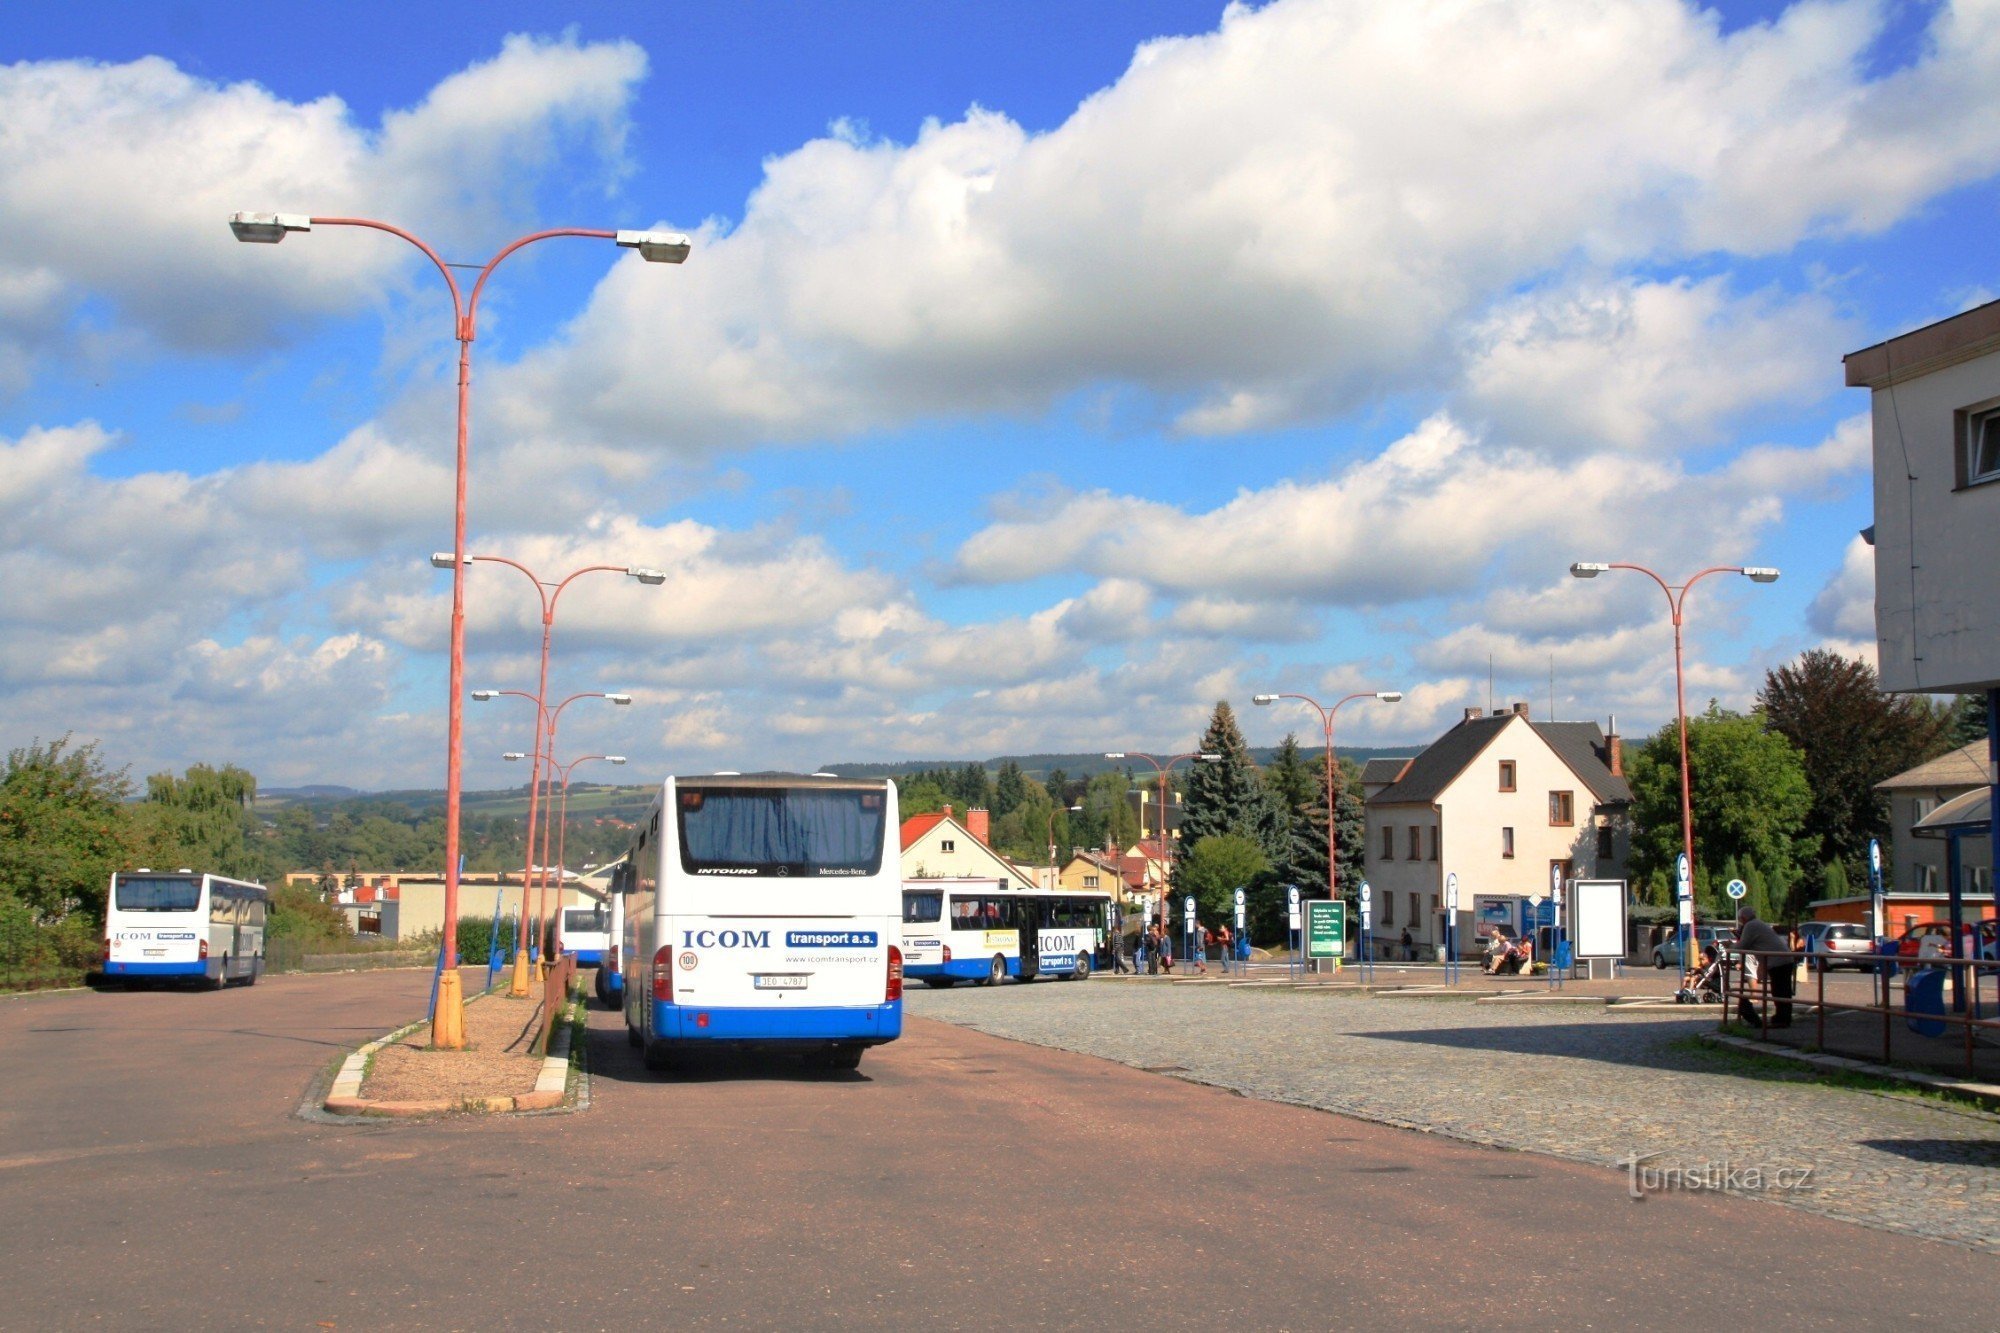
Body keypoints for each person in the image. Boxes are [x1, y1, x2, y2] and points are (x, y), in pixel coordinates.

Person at [1735, 906, 1795, 1028]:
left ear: (1743, 918)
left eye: (1740, 919)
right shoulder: (1758, 923)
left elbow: (1744, 944)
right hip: (1783, 959)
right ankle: (1782, 1017)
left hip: (1778, 961)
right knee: (1781, 990)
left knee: (1780, 991)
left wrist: (1729, 946)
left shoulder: (1751, 925)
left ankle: (1782, 1019)